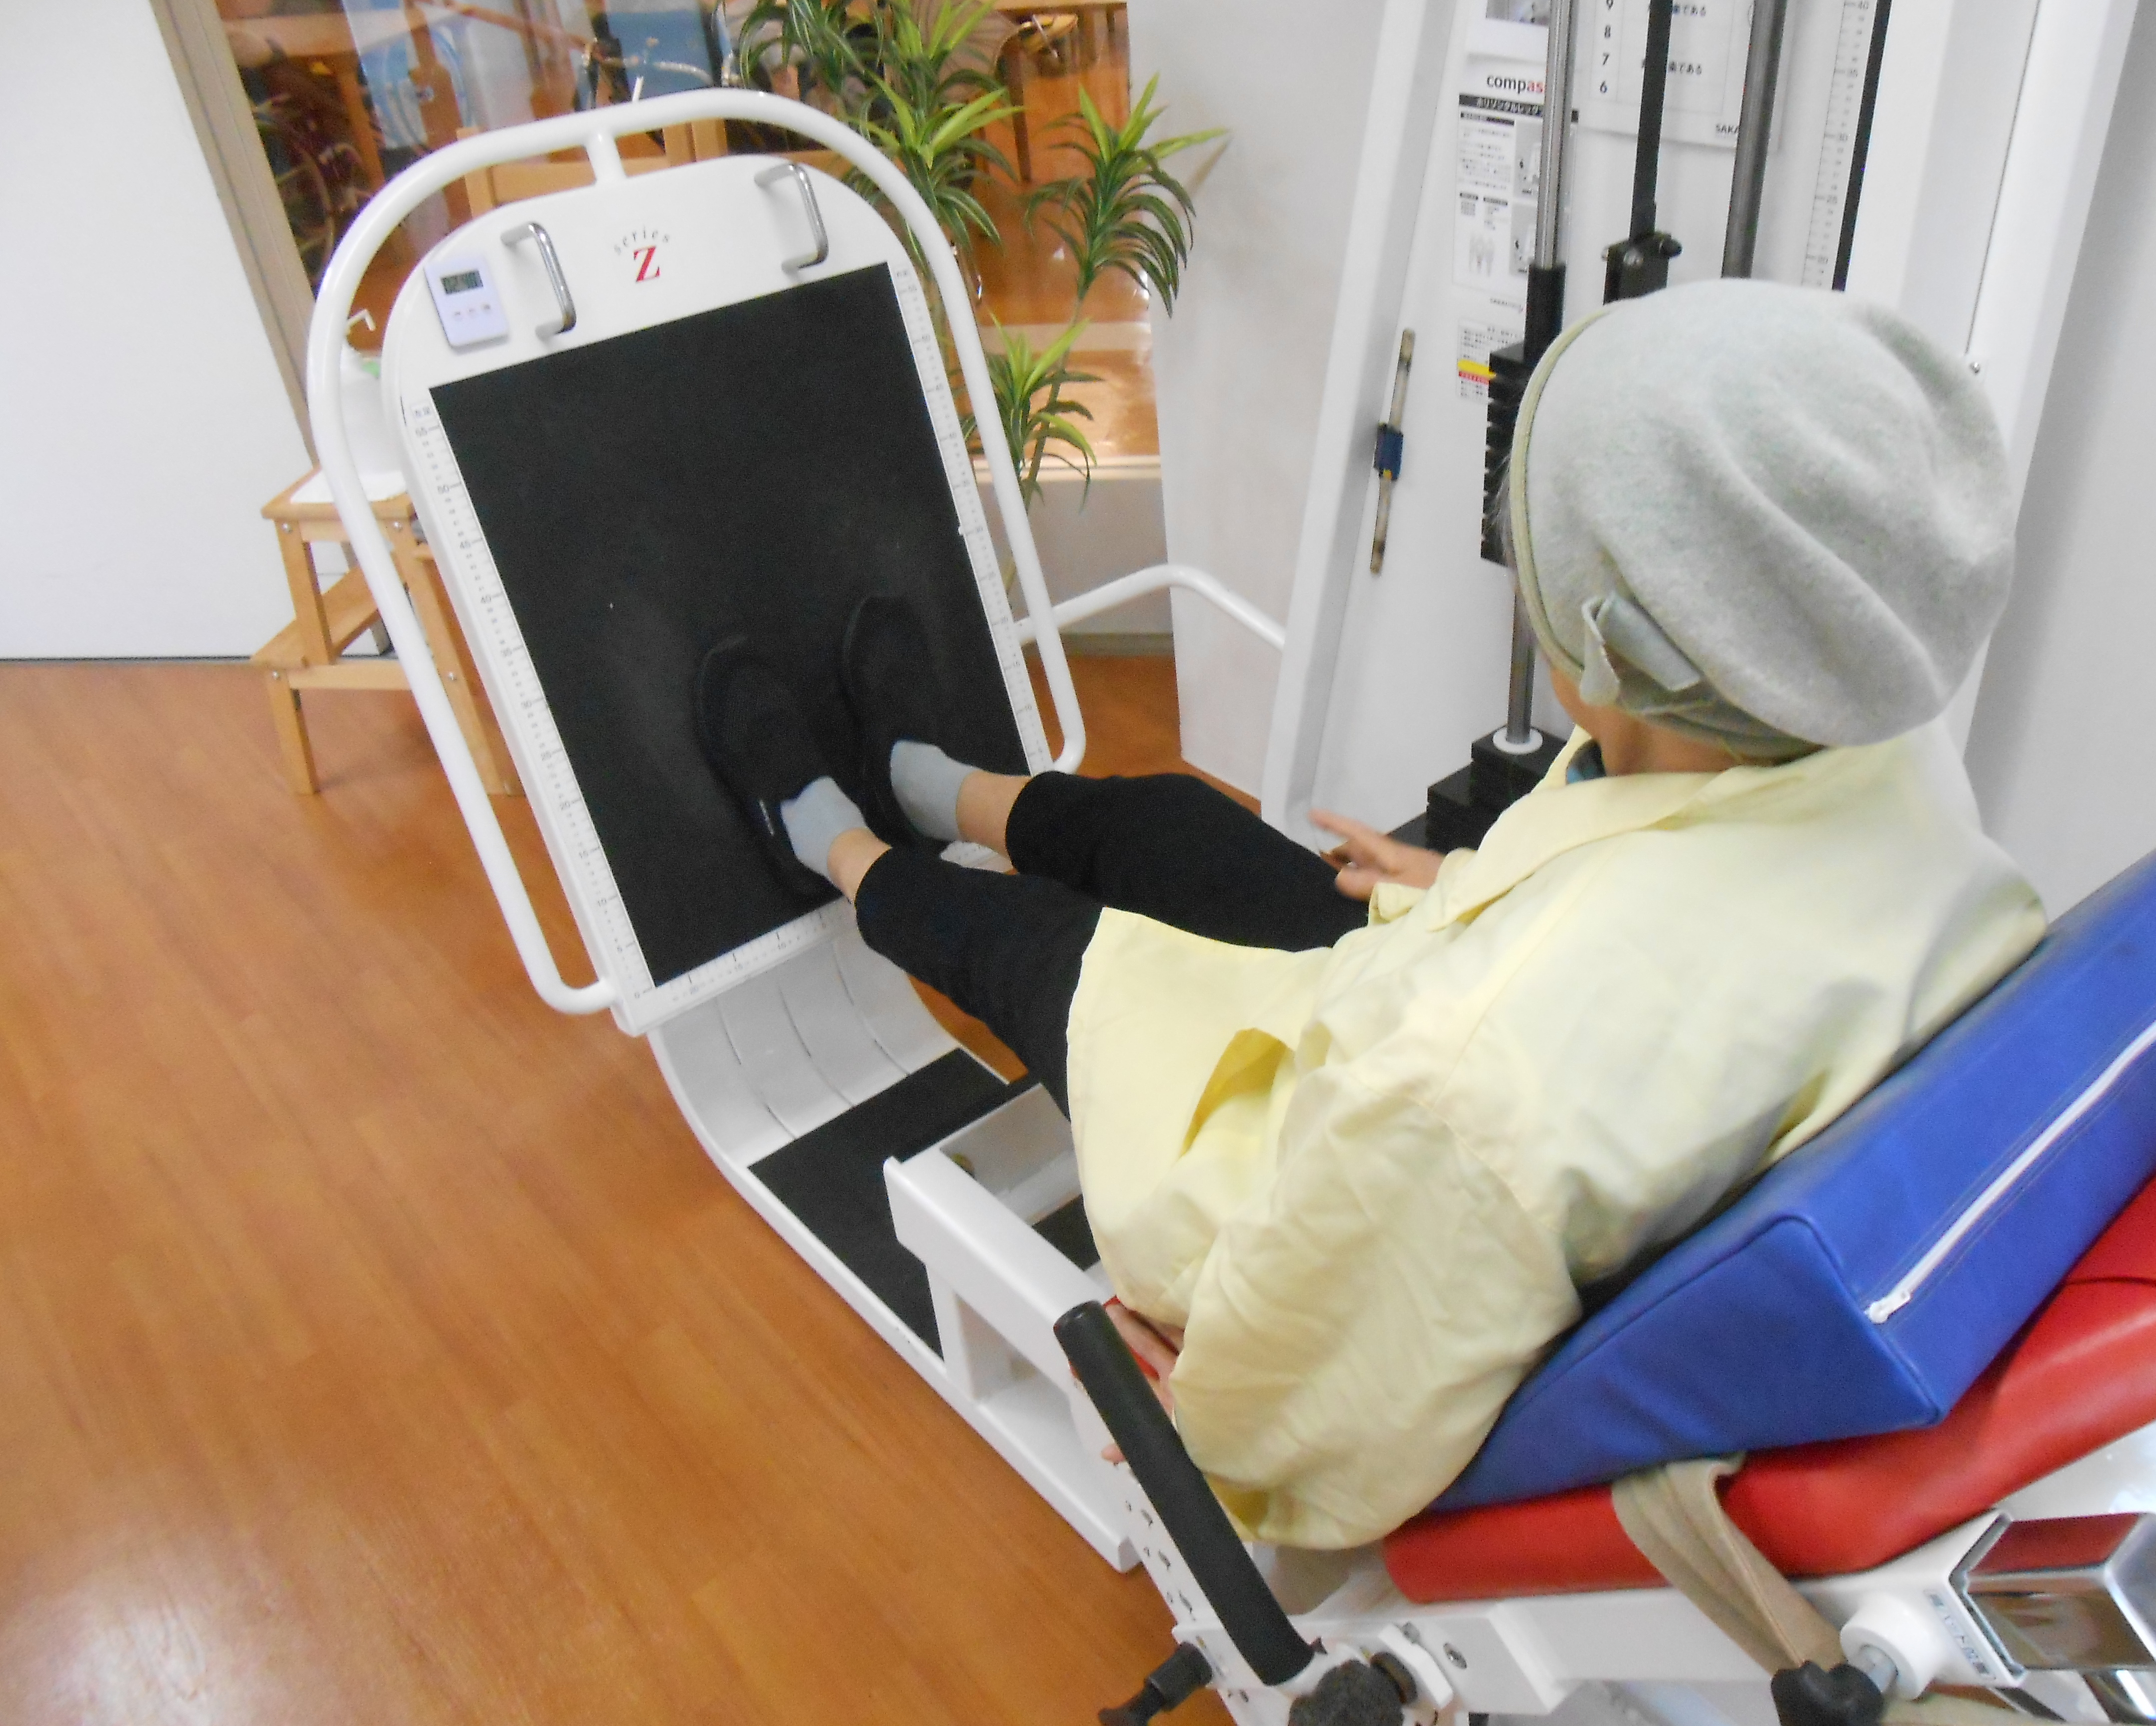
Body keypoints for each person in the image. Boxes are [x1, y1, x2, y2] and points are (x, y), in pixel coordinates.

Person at [693, 280, 2047, 1550]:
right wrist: (1464, 890)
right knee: (1176, 828)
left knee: (1037, 947)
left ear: (1612, 643)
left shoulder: (1468, 1090)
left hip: (1305, 1182)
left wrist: (1203, 1406)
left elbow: (1296, 1382)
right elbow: (1658, 930)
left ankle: (832, 840)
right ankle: (931, 783)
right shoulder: (1862, 730)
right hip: (1464, 1019)